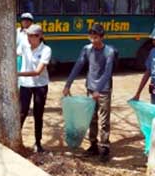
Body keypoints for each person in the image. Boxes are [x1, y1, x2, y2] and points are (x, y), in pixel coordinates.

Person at [62, 23, 116, 162]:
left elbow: (108, 72)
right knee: (91, 118)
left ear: (101, 37)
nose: (93, 38)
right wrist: (68, 84)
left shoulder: (109, 51)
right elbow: (78, 65)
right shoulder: (87, 49)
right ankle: (93, 145)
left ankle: (104, 147)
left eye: (96, 36)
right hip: (90, 88)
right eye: (91, 35)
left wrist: (99, 89)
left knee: (104, 120)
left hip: (103, 90)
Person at [17, 24, 52, 153]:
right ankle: (16, 138)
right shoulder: (24, 46)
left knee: (38, 114)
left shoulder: (46, 50)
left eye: (33, 36)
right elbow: (15, 53)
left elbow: (38, 72)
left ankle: (38, 142)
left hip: (40, 86)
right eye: (28, 35)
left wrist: (17, 73)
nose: (30, 38)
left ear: (40, 36)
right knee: (22, 112)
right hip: (25, 85)